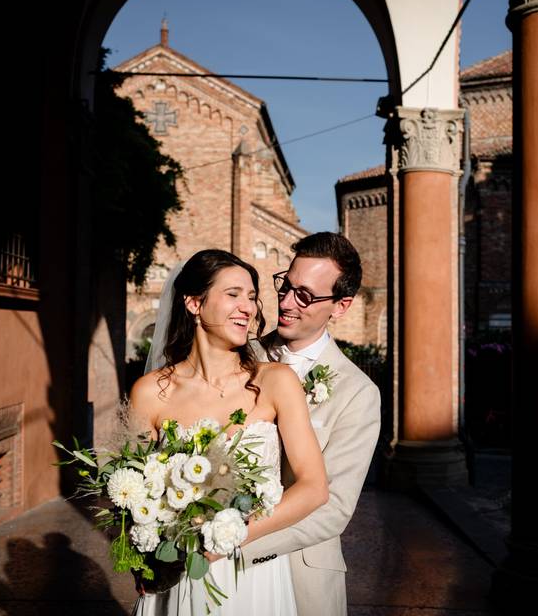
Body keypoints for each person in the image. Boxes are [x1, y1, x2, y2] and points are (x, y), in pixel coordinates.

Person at [128, 249, 328, 616]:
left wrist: (229, 538)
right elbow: (132, 493)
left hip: (250, 574)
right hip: (176, 574)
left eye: (252, 297)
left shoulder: (276, 382)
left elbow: (314, 487)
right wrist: (143, 554)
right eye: (233, 294)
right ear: (193, 303)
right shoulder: (149, 393)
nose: (248, 308)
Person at [243, 232, 381, 616]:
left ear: (341, 307)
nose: (286, 302)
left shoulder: (357, 392)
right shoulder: (238, 357)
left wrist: (234, 543)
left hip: (299, 573)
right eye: (284, 286)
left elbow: (333, 508)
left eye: (305, 295)